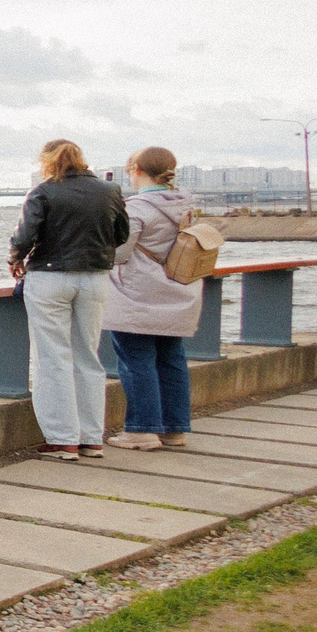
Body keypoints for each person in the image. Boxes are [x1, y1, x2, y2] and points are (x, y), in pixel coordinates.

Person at [7, 139, 131, 460]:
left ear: (47, 160)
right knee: (88, 357)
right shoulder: (110, 192)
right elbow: (121, 235)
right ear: (81, 159)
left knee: (53, 357)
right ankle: (91, 438)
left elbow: (25, 236)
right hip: (95, 279)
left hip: (49, 278)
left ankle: (63, 439)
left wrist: (15, 258)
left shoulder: (44, 191)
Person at [103, 146, 200, 451]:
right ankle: (174, 429)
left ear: (138, 171)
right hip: (178, 293)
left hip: (138, 296)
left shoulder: (137, 208)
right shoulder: (186, 205)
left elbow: (119, 253)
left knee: (136, 360)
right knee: (171, 359)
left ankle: (142, 430)